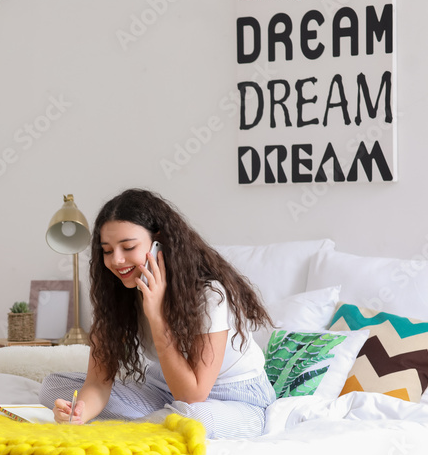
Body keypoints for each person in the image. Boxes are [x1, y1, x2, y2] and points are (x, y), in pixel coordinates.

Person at [40, 188, 276, 439]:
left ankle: (133, 429)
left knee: (193, 418)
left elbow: (193, 396)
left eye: (128, 247)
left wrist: (156, 317)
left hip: (235, 399)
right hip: (162, 390)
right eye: (107, 251)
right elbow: (98, 383)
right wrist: (78, 413)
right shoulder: (118, 295)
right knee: (52, 387)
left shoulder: (208, 296)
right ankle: (152, 424)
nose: (117, 260)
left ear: (159, 244)